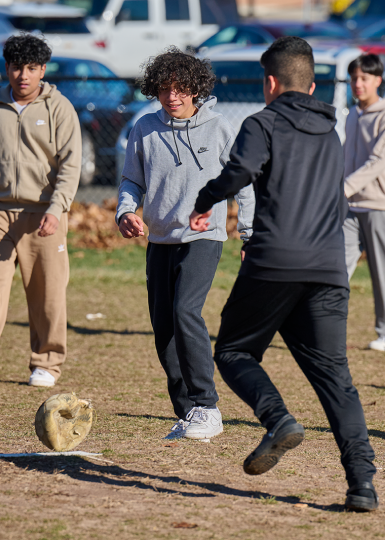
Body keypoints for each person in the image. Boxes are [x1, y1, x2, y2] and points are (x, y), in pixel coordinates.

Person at [190, 37, 378, 511]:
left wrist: (205, 200)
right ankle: (363, 485)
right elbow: (336, 200)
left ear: (270, 83)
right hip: (329, 266)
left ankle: (277, 420)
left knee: (233, 350)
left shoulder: (262, 122)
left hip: (275, 262)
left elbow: (241, 170)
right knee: (337, 378)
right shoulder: (330, 133)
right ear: (311, 85)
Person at [116, 47, 255, 440]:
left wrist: (250, 232)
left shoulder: (219, 128)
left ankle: (207, 405)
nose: (171, 97)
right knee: (163, 329)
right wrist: (127, 212)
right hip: (159, 238)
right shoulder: (144, 128)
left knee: (185, 311)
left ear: (196, 90)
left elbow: (243, 183)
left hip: (204, 236)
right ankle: (189, 412)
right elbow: (132, 181)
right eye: (163, 90)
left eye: (179, 89)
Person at [0, 34, 81, 390]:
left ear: (42, 70)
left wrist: (56, 209)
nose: (23, 75)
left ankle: (47, 364)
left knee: (47, 294)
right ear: (7, 68)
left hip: (43, 216)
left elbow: (70, 166)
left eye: (32, 68)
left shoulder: (60, 108)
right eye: (17, 67)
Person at [343, 53, 385, 352]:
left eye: (364, 78)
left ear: (378, 80)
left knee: (382, 271)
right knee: (335, 267)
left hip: (379, 205)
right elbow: (347, 158)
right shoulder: (353, 115)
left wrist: (343, 188)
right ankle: (322, 326)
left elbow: (379, 162)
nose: (358, 84)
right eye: (354, 78)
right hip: (349, 206)